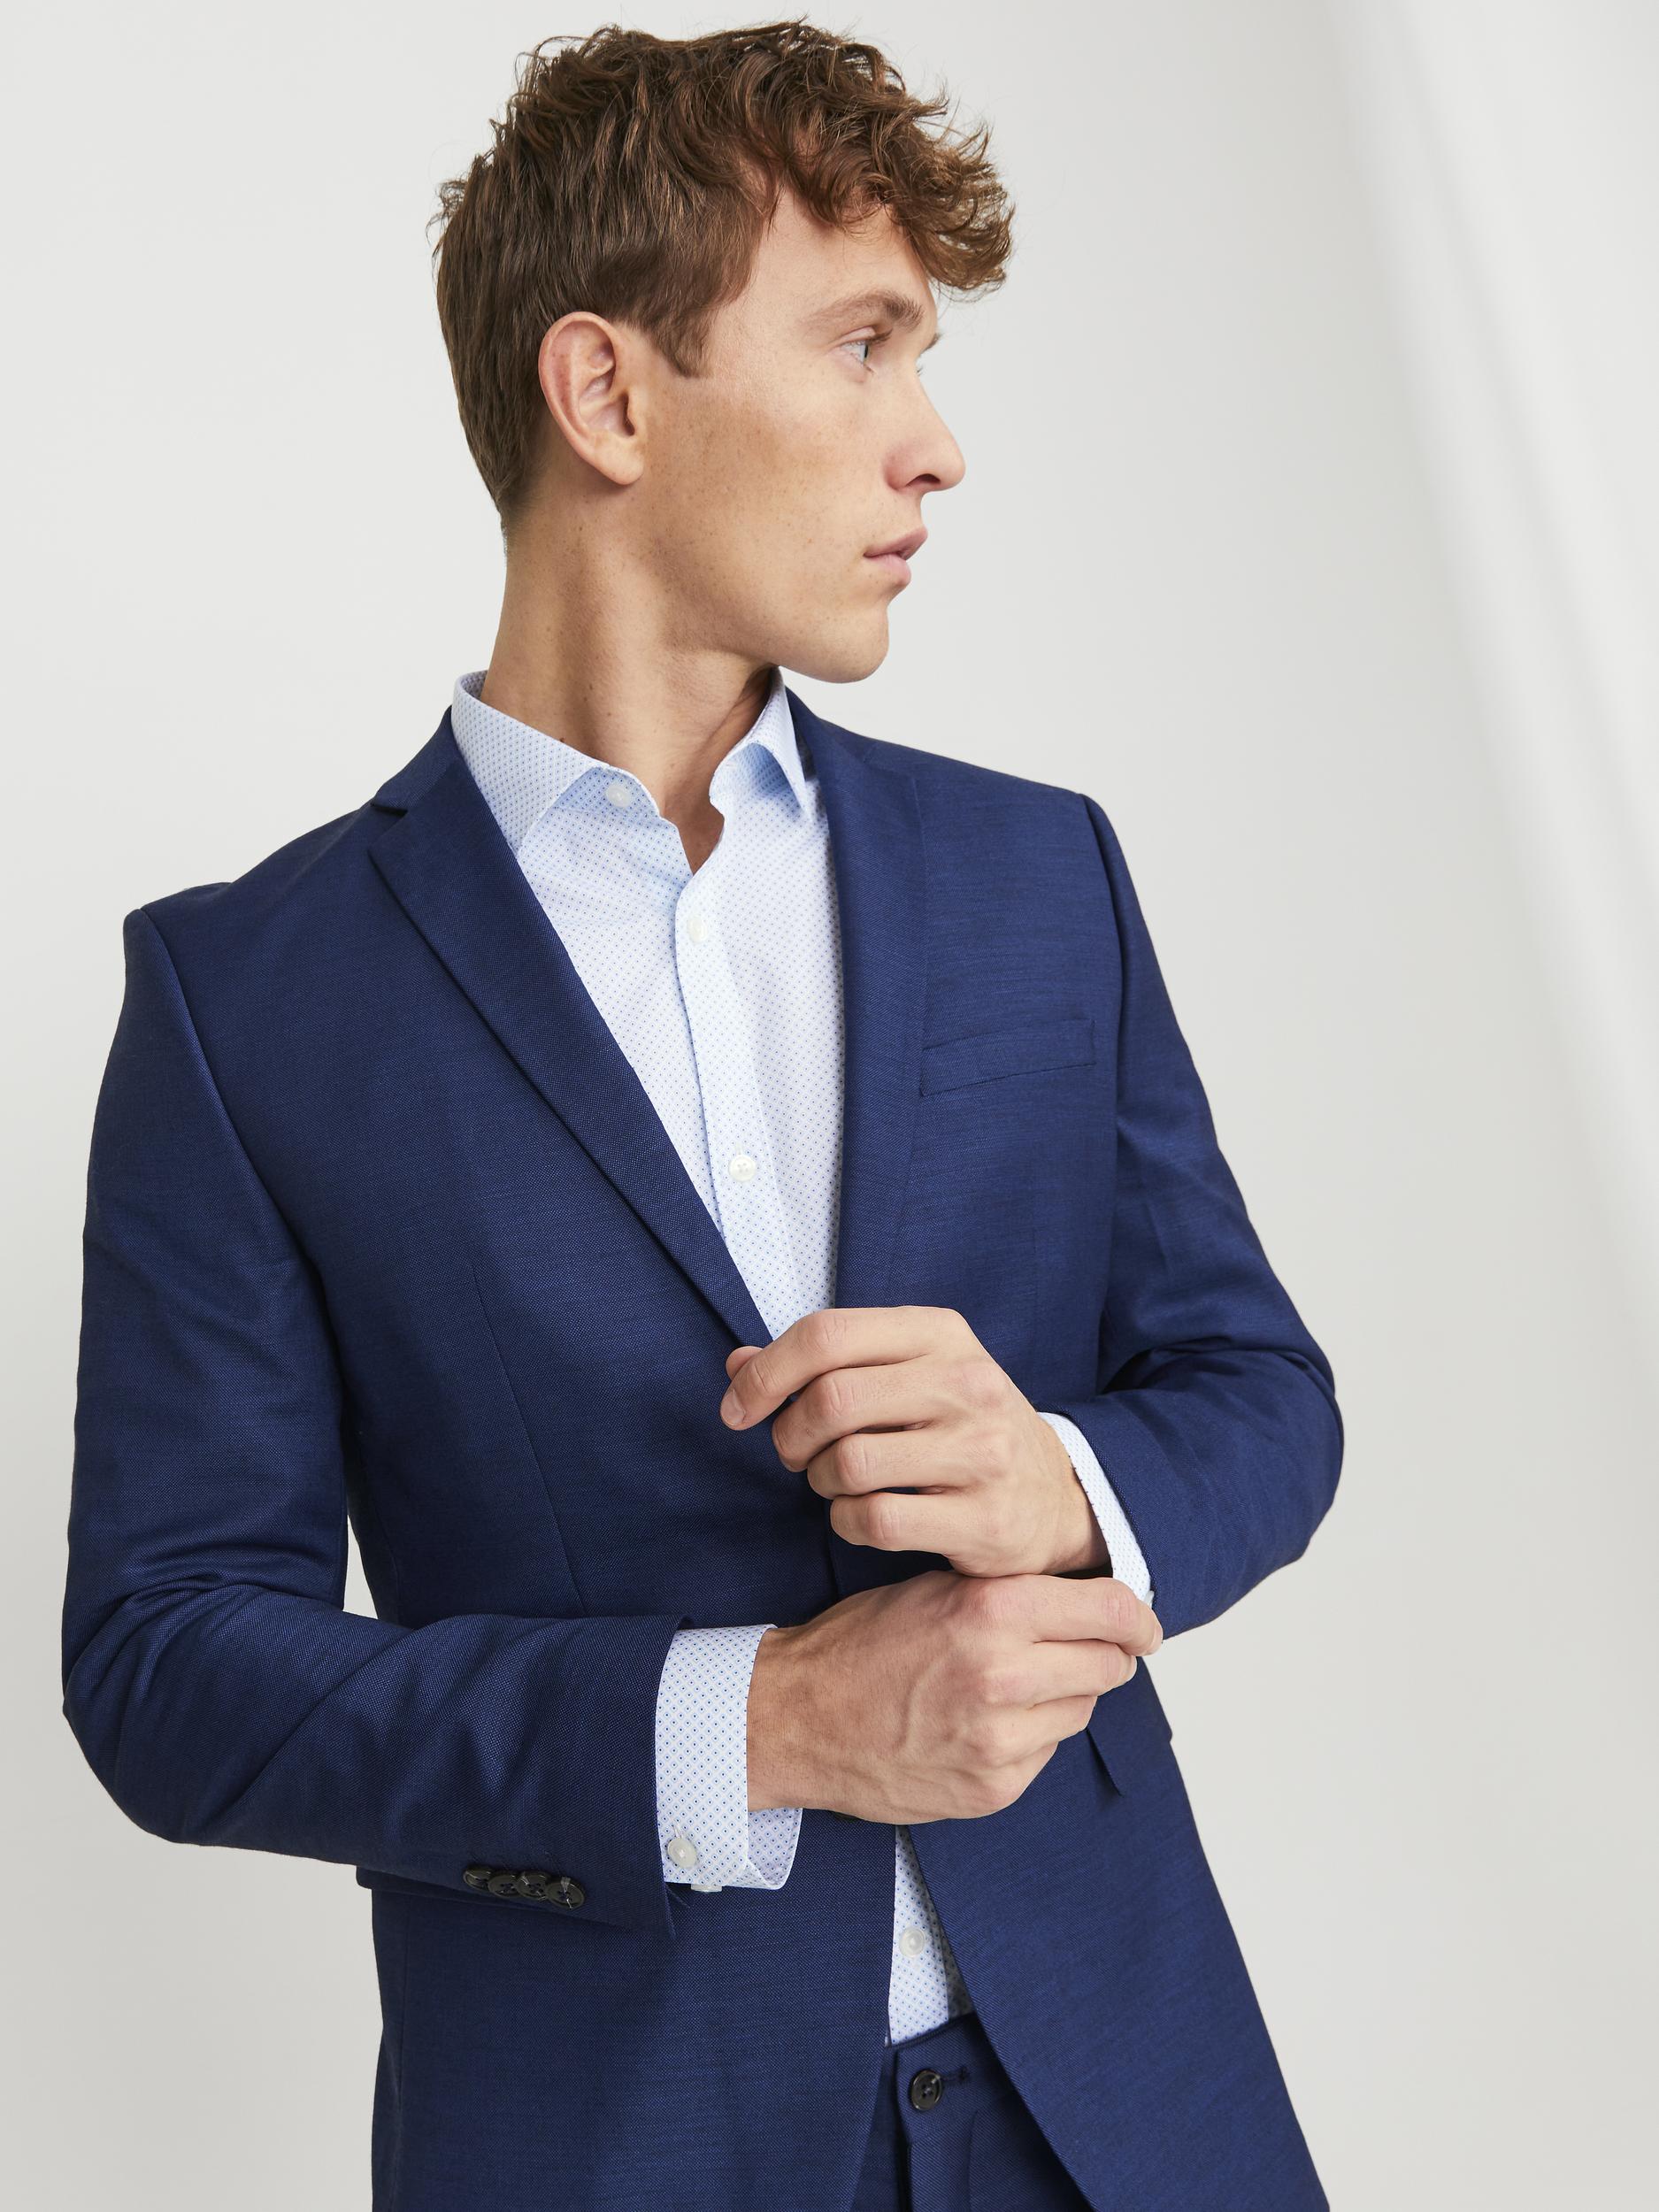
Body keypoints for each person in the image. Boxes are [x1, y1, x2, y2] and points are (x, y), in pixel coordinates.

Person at [61, 19, 1343, 2210]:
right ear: (607, 392)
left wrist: (1056, 1480)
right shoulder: (245, 1001)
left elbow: (1261, 1394)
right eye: (859, 343)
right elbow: (167, 1663)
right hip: (611, 2142)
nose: (934, 444)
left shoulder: (1035, 876)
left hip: (1128, 2108)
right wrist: (756, 1719)